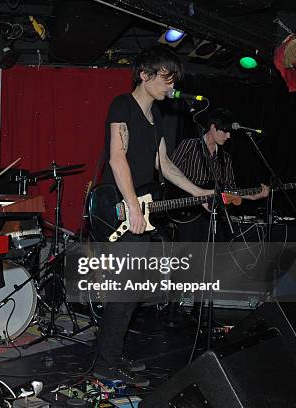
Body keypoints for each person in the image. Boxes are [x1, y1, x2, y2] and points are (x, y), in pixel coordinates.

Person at [93, 45, 212, 386]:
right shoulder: (122, 105)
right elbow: (118, 157)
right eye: (165, 79)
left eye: (173, 81)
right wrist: (132, 206)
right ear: (144, 75)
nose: (170, 87)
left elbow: (166, 165)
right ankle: (105, 364)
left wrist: (198, 191)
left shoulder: (157, 117)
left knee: (131, 290)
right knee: (126, 290)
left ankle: (111, 354)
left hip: (140, 207)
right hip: (118, 207)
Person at [170, 108, 269, 242]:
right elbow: (169, 173)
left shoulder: (225, 158)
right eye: (225, 131)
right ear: (213, 127)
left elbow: (229, 191)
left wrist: (252, 196)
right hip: (186, 211)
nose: (228, 136)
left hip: (211, 215)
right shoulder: (189, 145)